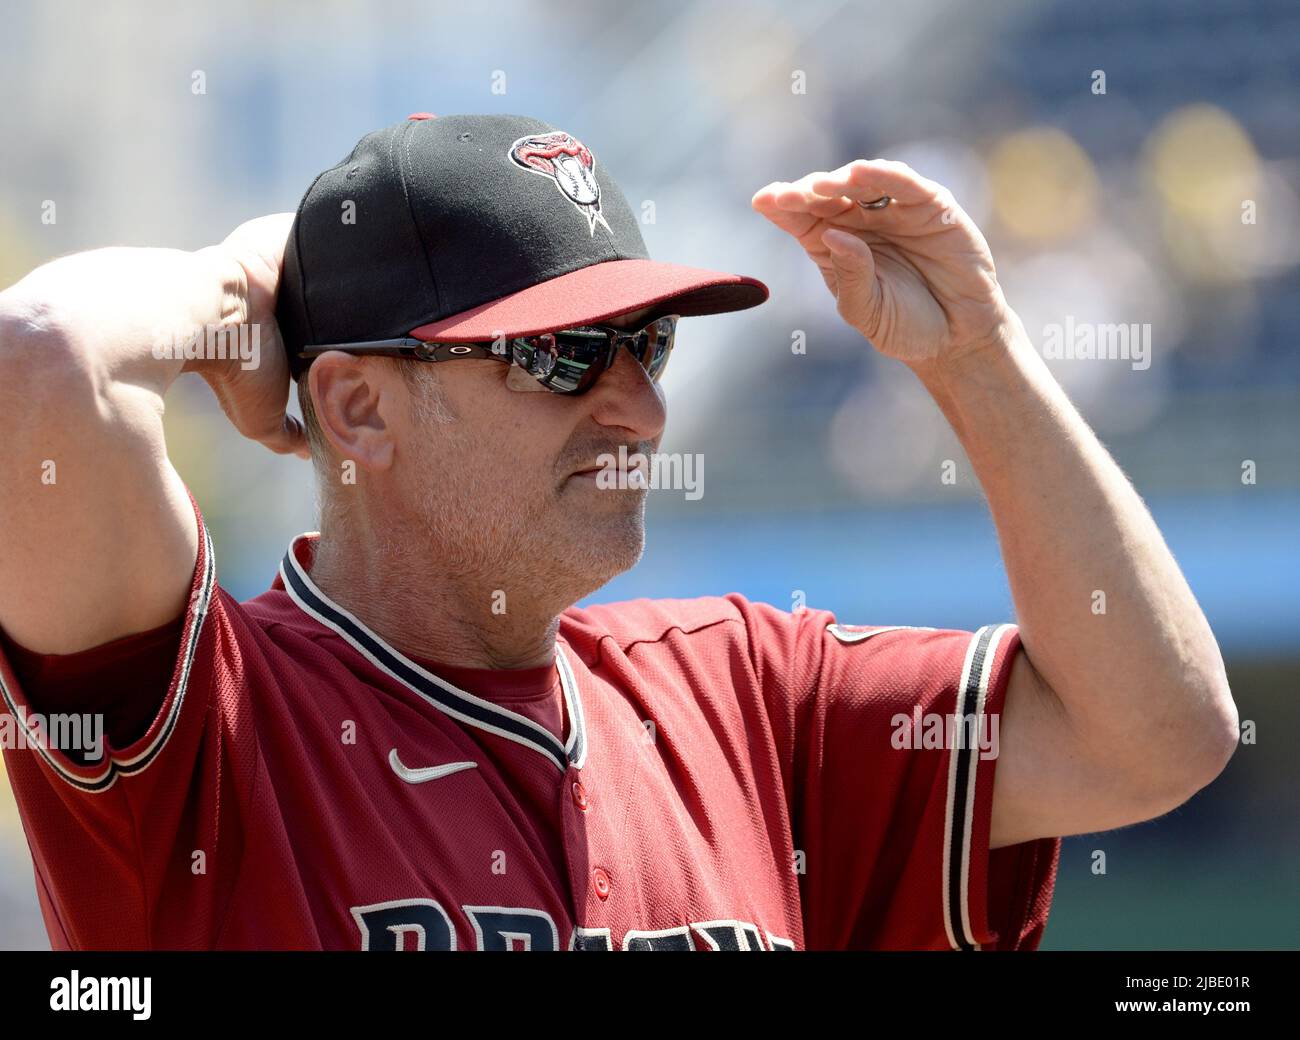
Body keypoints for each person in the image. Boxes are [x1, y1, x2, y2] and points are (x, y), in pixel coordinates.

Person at [0, 114, 1237, 950]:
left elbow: (1157, 736)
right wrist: (246, 281)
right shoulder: (208, 722)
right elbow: (44, 362)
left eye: (646, 343)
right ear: (359, 406)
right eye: (562, 354)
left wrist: (979, 358)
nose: (640, 405)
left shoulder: (753, 692)